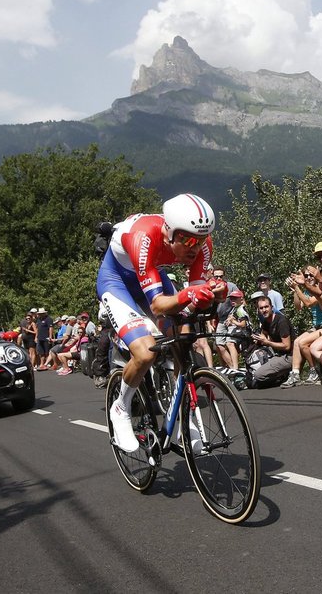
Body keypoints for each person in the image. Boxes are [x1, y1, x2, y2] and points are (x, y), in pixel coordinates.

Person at [98, 193, 222, 452]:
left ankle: (182, 417)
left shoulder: (201, 244)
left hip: (153, 276)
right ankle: (121, 407)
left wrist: (212, 295)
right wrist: (189, 294)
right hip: (117, 282)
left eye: (200, 241)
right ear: (169, 232)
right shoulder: (144, 237)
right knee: (144, 353)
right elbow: (157, 305)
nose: (195, 248)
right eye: (187, 240)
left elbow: (194, 298)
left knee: (185, 337)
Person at [281, 269, 322, 387]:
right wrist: (295, 290)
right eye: (306, 276)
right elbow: (299, 307)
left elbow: (309, 303)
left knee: (303, 343)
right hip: (316, 326)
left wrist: (298, 288)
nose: (308, 277)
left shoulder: (320, 289)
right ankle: (295, 373)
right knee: (297, 342)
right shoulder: (308, 291)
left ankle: (314, 371)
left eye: (311, 275)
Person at [248, 295, 295, 388]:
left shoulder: (281, 321)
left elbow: (287, 346)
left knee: (258, 375)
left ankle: (282, 376)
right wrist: (256, 339)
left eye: (266, 307)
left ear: (272, 307)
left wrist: (267, 342)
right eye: (261, 308)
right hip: (277, 354)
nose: (264, 310)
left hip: (289, 356)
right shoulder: (266, 322)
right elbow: (263, 336)